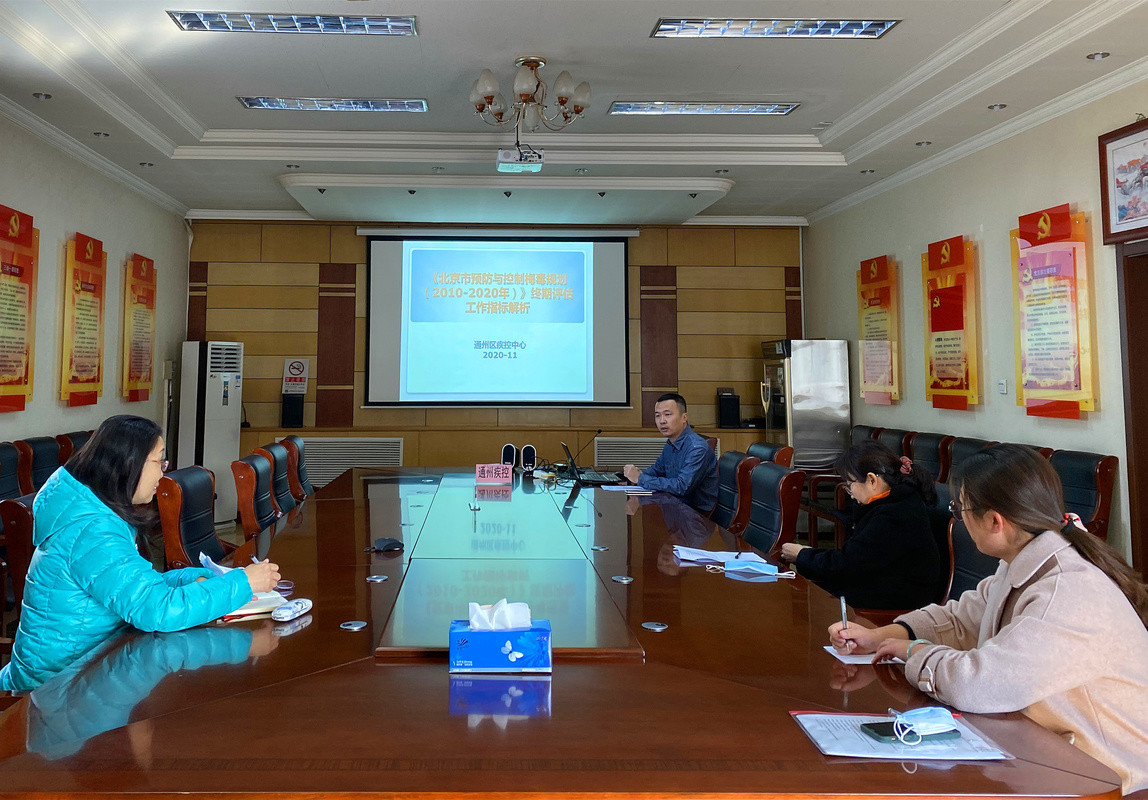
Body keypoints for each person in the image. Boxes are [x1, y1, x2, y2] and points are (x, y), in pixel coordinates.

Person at [828, 444, 1148, 793]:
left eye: (959, 508)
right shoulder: (1027, 558)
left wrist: (914, 652)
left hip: (1108, 776)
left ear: (995, 521)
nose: (958, 518)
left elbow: (978, 686)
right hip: (1048, 751)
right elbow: (964, 618)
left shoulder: (1068, 592)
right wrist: (882, 636)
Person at [0, 415, 281, 692]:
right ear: (129, 464)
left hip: (89, 665)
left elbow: (136, 587)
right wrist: (243, 585)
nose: (163, 474)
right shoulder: (93, 531)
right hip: (56, 686)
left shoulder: (96, 512)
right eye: (160, 462)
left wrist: (193, 579)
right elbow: (156, 610)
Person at [779, 440, 940, 609]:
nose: (850, 494)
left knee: (803, 600)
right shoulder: (896, 502)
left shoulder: (893, 516)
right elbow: (854, 555)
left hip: (893, 603)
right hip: (878, 586)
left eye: (850, 485)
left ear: (872, 480)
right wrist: (808, 554)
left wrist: (801, 555)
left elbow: (845, 565)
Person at [622, 393, 718, 512]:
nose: (662, 421)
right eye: (657, 416)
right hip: (675, 507)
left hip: (695, 515)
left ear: (684, 417)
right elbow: (657, 470)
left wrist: (640, 479)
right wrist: (634, 474)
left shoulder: (697, 448)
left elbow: (681, 487)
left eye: (667, 414)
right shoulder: (671, 443)